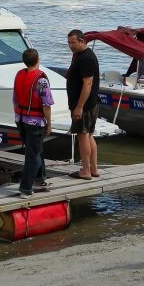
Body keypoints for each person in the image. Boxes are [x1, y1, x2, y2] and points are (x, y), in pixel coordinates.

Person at [13, 48, 54, 199]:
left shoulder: (19, 75)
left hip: (21, 119)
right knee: (33, 155)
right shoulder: (41, 80)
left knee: (35, 150)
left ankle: (40, 178)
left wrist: (18, 117)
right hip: (35, 122)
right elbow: (46, 105)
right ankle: (25, 188)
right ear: (38, 60)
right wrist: (49, 124)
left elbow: (15, 99)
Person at [66, 29, 100, 180]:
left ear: (82, 41)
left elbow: (88, 83)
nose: (70, 46)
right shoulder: (81, 55)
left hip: (84, 105)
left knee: (83, 135)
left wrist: (79, 107)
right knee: (89, 135)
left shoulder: (86, 58)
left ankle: (86, 171)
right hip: (90, 103)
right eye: (68, 43)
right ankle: (94, 169)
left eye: (73, 42)